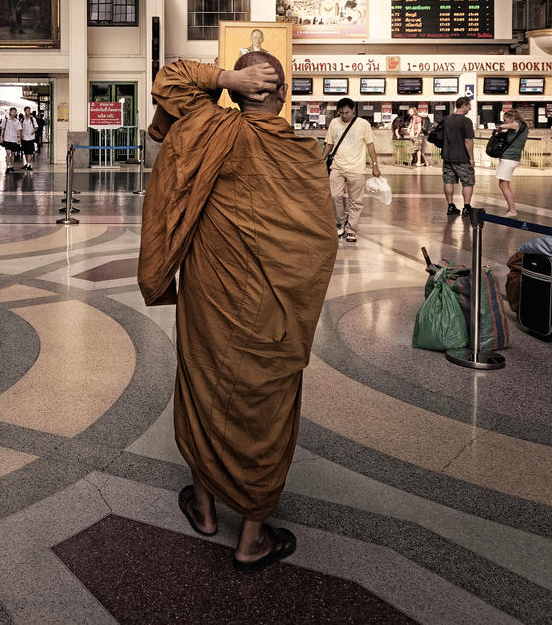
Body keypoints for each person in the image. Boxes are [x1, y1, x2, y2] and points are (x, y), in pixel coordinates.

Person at [137, 54, 336, 574]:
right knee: (265, 407)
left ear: (235, 92)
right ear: (284, 95)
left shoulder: (208, 128)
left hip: (211, 294)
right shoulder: (303, 153)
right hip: (275, 305)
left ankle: (203, 507)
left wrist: (224, 79)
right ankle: (251, 535)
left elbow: (171, 79)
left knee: (205, 387)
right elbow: (316, 247)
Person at [323, 97, 382, 244]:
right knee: (334, 195)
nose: (344, 115)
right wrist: (321, 159)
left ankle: (351, 229)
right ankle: (341, 221)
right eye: (341, 113)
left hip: (356, 169)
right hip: (337, 166)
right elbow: (329, 144)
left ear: (353, 110)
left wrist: (375, 165)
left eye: (347, 112)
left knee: (355, 201)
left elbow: (370, 145)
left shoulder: (363, 124)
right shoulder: (334, 123)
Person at [441, 96, 476, 217]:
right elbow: (468, 141)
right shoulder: (466, 121)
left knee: (448, 181)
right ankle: (466, 207)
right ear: (464, 105)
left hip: (447, 156)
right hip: (462, 157)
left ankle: (450, 206)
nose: (470, 108)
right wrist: (471, 158)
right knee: (467, 182)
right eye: (469, 105)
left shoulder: (446, 119)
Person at [495, 108, 528, 218]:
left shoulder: (517, 125)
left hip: (510, 158)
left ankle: (512, 210)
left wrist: (500, 127)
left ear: (511, 118)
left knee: (504, 185)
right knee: (503, 184)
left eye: (505, 120)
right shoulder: (519, 127)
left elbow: (509, 126)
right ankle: (511, 208)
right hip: (510, 158)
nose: (505, 122)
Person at [0, 107, 22, 172]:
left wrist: (19, 138)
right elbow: (3, 128)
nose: (13, 113)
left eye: (15, 112)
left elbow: (18, 130)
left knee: (13, 153)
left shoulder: (17, 121)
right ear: (10, 112)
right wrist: (1, 136)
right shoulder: (6, 120)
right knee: (8, 153)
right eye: (12, 112)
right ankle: (7, 166)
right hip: (7, 139)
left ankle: (11, 166)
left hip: (14, 139)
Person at [19, 106, 39, 170]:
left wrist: (32, 132)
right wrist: (20, 135)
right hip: (24, 138)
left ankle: (29, 164)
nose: (29, 112)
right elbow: (20, 128)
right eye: (27, 110)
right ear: (25, 111)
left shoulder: (33, 119)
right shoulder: (22, 120)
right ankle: (27, 163)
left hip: (31, 138)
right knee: (25, 152)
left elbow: (36, 127)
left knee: (30, 151)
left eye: (29, 110)